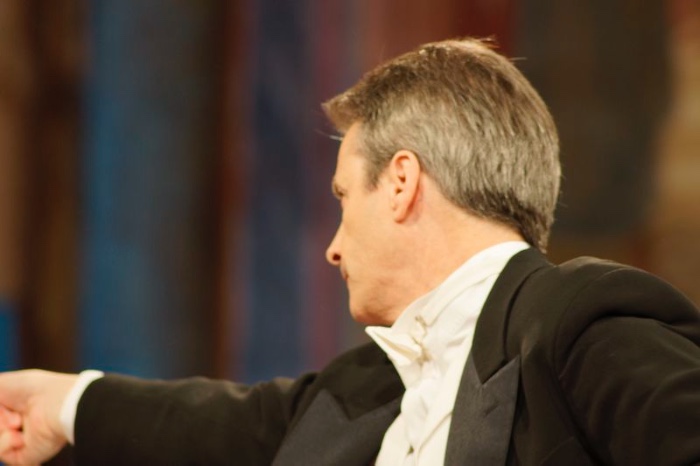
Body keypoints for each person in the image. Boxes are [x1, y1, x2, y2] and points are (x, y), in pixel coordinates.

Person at [1, 38, 699, 466]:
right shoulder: (366, 388)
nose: (333, 249)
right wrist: (60, 403)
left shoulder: (576, 323)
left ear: (400, 183)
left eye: (343, 197)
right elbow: (225, 428)